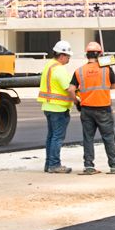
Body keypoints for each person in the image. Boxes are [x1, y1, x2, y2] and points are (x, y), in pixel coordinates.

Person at [71, 41, 115, 175]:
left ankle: (89, 166)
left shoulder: (79, 71)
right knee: (108, 137)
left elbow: (71, 89)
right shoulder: (106, 68)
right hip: (103, 108)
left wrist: (77, 102)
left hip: (86, 109)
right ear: (100, 54)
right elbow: (114, 86)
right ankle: (114, 166)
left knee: (88, 138)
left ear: (86, 55)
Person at [38, 40, 78, 173]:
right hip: (59, 108)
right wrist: (77, 101)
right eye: (68, 56)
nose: (68, 59)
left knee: (51, 136)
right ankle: (54, 165)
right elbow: (69, 89)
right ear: (61, 55)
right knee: (57, 137)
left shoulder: (49, 65)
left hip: (48, 107)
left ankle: (49, 164)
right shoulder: (59, 69)